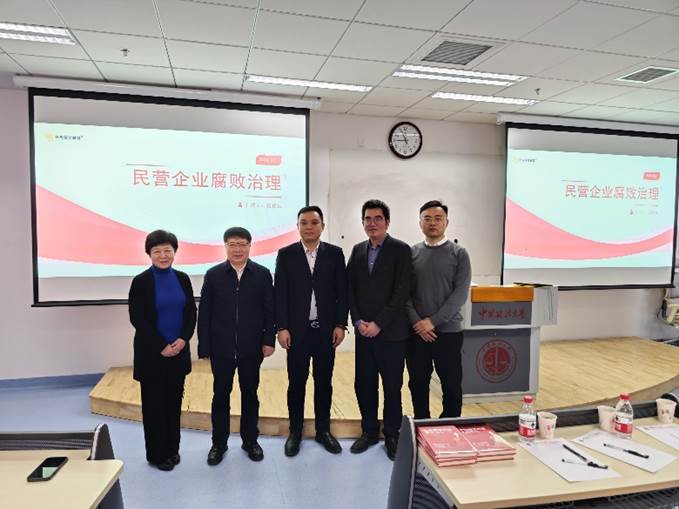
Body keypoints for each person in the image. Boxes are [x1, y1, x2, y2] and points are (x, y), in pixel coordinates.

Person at [275, 205, 348, 457]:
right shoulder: (286, 254)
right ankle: (295, 432)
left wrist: (341, 324)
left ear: (322, 226)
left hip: (326, 332)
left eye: (314, 223)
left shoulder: (335, 254)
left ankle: (323, 431)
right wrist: (282, 327)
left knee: (324, 383)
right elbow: (280, 294)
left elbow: (342, 293)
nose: (309, 227)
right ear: (297, 226)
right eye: (304, 223)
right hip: (296, 332)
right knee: (296, 384)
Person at [197, 227, 275, 464]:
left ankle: (250, 441)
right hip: (221, 348)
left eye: (242, 244)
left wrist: (268, 340)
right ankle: (218, 444)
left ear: (250, 246)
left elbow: (269, 310)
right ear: (225, 247)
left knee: (250, 394)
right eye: (232, 244)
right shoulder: (213, 275)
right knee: (220, 395)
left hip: (252, 348)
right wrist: (204, 346)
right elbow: (205, 313)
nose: (237, 249)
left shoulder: (262, 274)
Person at [346, 199, 412, 460]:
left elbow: (402, 292)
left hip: (392, 334)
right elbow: (350, 288)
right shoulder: (358, 250)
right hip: (364, 334)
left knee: (392, 387)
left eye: (377, 218)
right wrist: (358, 320)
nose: (372, 223)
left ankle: (392, 435)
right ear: (362, 222)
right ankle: (369, 432)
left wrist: (379, 323)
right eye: (367, 219)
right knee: (364, 385)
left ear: (387, 222)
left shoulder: (401, 250)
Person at [128, 229, 196, 471]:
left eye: (168, 250)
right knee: (154, 407)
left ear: (175, 252)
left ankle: (172, 450)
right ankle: (157, 455)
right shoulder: (140, 282)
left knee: (173, 405)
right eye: (157, 251)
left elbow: (190, 312)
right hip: (152, 355)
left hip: (178, 352)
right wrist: (161, 346)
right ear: (149, 254)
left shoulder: (183, 278)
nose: (163, 255)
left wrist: (184, 339)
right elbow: (138, 319)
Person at [406, 200, 471, 419]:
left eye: (438, 218)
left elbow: (460, 294)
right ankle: (422, 424)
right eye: (427, 219)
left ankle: (450, 425)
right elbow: (404, 294)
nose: (432, 223)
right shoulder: (411, 253)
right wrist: (417, 323)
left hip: (448, 332)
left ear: (446, 222)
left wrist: (432, 322)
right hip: (417, 334)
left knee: (451, 384)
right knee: (417, 383)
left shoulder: (459, 254)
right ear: (420, 223)